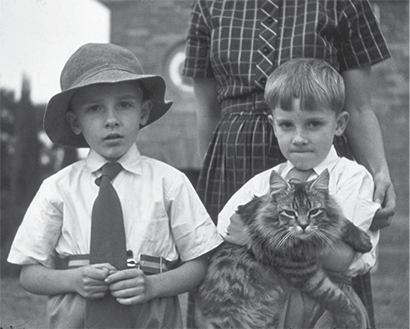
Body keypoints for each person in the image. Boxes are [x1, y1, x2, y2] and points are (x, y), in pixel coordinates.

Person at [182, 0, 395, 326]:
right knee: (236, 290)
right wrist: (209, 182)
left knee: (327, 291)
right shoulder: (209, 6)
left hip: (321, 160)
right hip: (232, 159)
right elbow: (207, 110)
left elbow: (359, 105)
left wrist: (379, 172)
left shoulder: (343, 3)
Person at [7, 43, 223, 329]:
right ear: (74, 122)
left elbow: (198, 264)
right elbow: (29, 274)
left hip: (151, 318)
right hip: (77, 319)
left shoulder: (170, 182)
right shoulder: (57, 188)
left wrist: (152, 286)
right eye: (95, 108)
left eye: (125, 105)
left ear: (143, 113)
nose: (111, 120)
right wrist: (73, 279)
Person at [214, 58, 380, 328]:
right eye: (287, 125)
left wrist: (257, 240)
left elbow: (340, 258)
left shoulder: (350, 178)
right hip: (267, 303)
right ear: (273, 124)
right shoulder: (262, 184)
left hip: (328, 304)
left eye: (313, 124)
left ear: (339, 124)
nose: (299, 138)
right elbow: (227, 232)